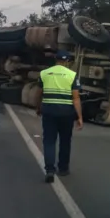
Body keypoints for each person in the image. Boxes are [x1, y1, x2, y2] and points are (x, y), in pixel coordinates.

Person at [36, 50, 83, 183]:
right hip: (66, 113)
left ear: (55, 60)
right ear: (67, 61)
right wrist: (79, 117)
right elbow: (76, 98)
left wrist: (38, 107)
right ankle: (63, 169)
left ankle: (50, 170)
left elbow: (39, 93)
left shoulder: (44, 73)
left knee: (49, 141)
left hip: (49, 111)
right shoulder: (72, 75)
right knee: (65, 140)